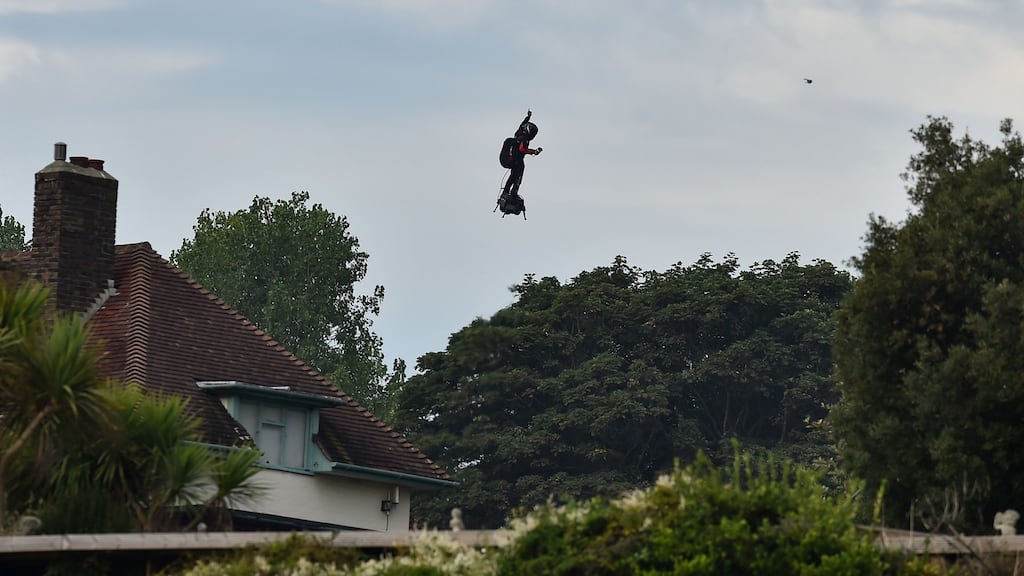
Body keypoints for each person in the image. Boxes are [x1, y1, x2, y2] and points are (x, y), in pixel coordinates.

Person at [500, 110, 542, 206]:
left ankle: (506, 191)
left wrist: (528, 117)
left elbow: (522, 124)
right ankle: (514, 192)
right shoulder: (523, 138)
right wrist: (534, 151)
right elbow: (522, 149)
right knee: (518, 172)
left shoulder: (520, 132)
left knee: (513, 175)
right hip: (515, 161)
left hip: (512, 160)